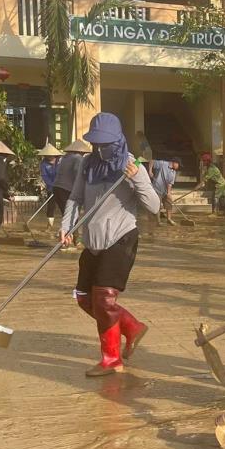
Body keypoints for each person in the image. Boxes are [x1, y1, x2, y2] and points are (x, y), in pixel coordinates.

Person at [61, 113, 161, 377]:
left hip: (120, 238)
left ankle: (111, 360)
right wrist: (66, 228)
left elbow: (154, 206)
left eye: (106, 144)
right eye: (96, 144)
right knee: (83, 299)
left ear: (118, 141)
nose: (101, 149)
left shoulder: (130, 165)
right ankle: (132, 327)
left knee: (104, 300)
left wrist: (138, 178)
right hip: (92, 241)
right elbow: (75, 198)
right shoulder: (87, 164)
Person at [53, 139, 90, 249]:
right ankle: (74, 241)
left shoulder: (64, 158)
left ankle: (69, 238)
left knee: (67, 215)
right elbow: (77, 173)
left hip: (57, 188)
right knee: (73, 215)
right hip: (67, 189)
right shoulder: (78, 159)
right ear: (82, 152)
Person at [37, 142, 64, 229]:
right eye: (47, 155)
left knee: (64, 205)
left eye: (50, 155)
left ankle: (65, 226)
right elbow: (45, 176)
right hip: (51, 187)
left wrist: (59, 184)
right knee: (51, 205)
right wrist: (52, 186)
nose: (48, 157)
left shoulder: (60, 161)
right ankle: (50, 224)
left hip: (62, 186)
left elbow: (64, 173)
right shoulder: (43, 164)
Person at [149, 159, 180, 224]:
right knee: (158, 205)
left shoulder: (173, 172)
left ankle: (169, 219)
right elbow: (151, 161)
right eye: (178, 165)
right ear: (175, 162)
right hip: (157, 188)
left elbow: (170, 183)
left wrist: (169, 193)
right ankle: (158, 221)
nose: (178, 167)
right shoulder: (163, 164)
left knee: (169, 203)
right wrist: (150, 171)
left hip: (165, 191)